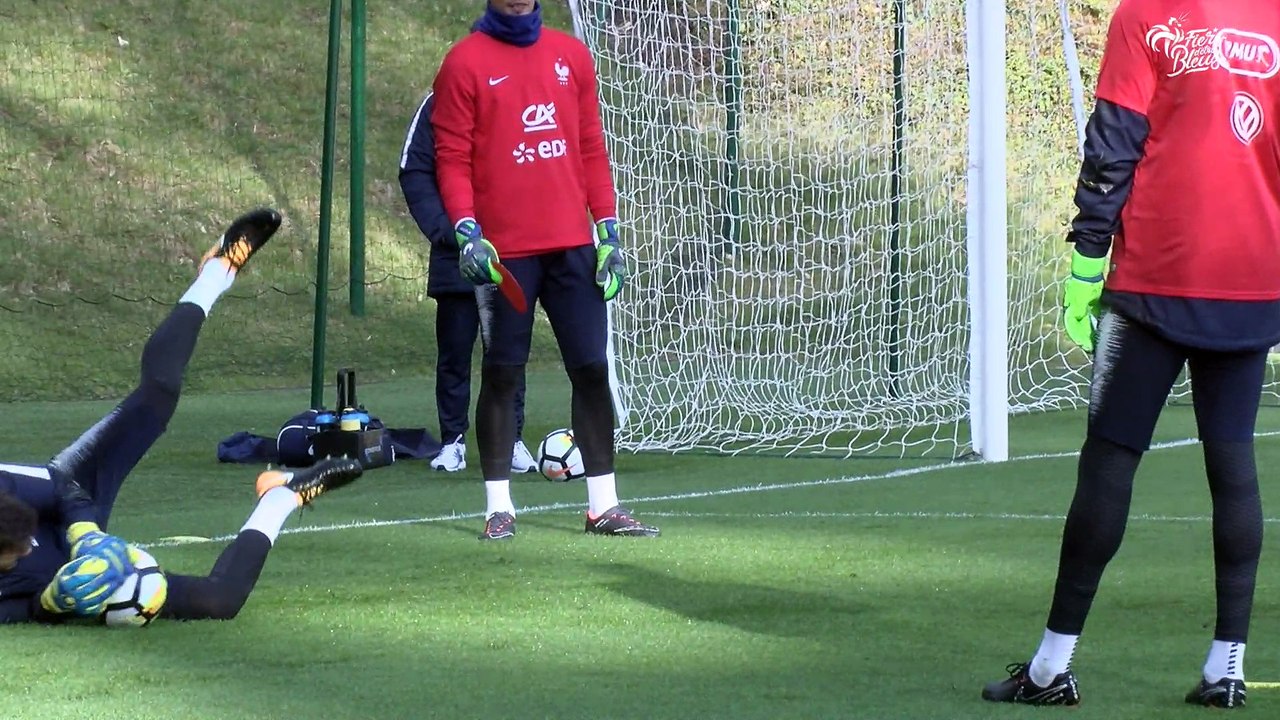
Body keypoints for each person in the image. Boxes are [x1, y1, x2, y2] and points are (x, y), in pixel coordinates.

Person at [982, 1, 1280, 709]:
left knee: (1111, 459)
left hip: (1152, 278)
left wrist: (1087, 261)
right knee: (1233, 463)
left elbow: (1115, 139)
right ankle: (1225, 669)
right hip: (1253, 278)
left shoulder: (1145, 13)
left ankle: (1052, 669)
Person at [0, 209, 365, 624]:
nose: (27, 549)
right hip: (71, 580)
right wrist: (50, 601)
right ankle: (281, 496)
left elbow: (62, 485)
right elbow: (18, 610)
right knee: (221, 602)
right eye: (17, 553)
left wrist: (87, 538)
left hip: (76, 495)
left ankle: (217, 272)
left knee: (159, 391)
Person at [430, 0, 659, 540]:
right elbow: (452, 157)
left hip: (573, 249)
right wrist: (466, 229)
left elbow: (590, 148)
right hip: (506, 254)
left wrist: (608, 230)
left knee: (592, 369)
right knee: (504, 372)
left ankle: (603, 506)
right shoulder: (463, 62)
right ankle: (498, 509)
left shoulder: (570, 55)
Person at [399, 90, 539, 475]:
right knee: (455, 352)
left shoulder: (521, 95)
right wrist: (448, 233)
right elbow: (414, 169)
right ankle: (452, 442)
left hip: (513, 252)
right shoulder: (438, 103)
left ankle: (510, 439)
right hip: (456, 255)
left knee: (508, 353)